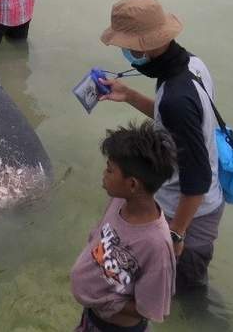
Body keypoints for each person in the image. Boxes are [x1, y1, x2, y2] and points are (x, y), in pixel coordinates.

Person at [98, 0, 225, 296]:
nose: (125, 53)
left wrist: (177, 234)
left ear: (143, 47)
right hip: (198, 203)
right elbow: (175, 120)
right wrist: (129, 95)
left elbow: (197, 179)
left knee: (185, 296)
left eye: (126, 47)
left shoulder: (176, 99)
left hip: (189, 212)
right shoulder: (191, 64)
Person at [70, 121, 177, 331]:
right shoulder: (120, 201)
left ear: (132, 184)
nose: (104, 174)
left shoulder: (156, 245)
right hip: (92, 318)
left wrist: (106, 299)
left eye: (110, 170)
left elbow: (151, 307)